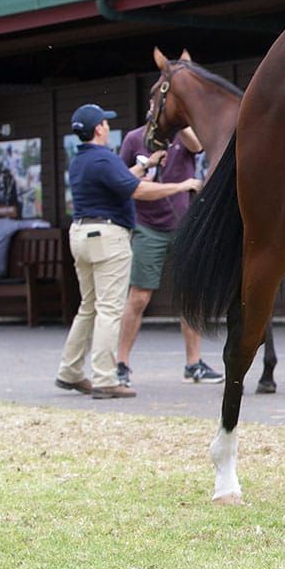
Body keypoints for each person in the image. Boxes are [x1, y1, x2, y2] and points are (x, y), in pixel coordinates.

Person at [54, 104, 201, 399]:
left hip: (81, 234)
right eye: (105, 123)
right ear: (98, 129)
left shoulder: (80, 160)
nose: (108, 127)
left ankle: (69, 371)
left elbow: (123, 179)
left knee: (89, 306)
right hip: (107, 237)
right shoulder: (104, 158)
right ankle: (106, 378)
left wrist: (145, 165)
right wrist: (181, 185)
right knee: (109, 308)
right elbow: (137, 191)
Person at [116, 123, 224, 386]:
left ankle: (193, 364)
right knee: (139, 296)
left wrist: (179, 122)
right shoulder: (133, 138)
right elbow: (121, 179)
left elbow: (197, 146)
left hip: (182, 226)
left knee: (190, 294)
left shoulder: (182, 136)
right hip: (147, 227)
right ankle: (121, 363)